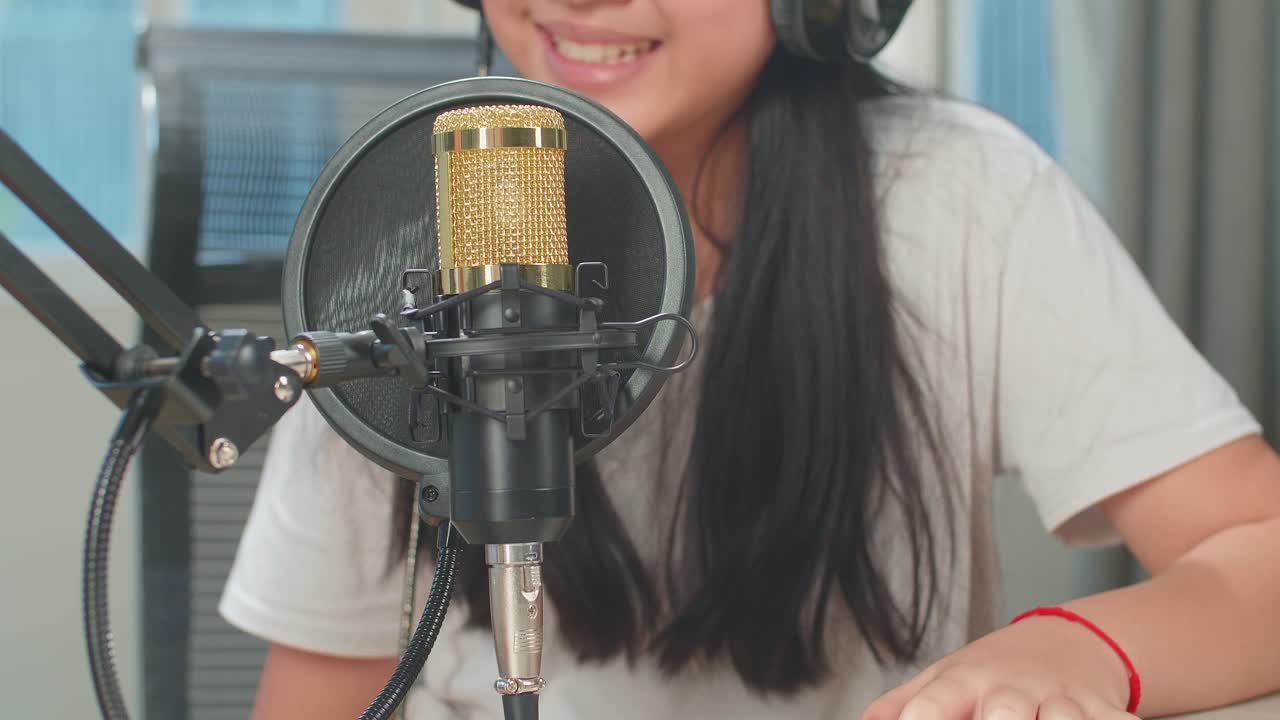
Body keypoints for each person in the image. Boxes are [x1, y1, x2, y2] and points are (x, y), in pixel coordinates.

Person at [219, 1, 1280, 718]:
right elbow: (319, 694)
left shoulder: (960, 201)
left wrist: (1075, 651)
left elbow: (1256, 540)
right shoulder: (409, 240)